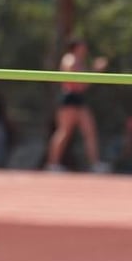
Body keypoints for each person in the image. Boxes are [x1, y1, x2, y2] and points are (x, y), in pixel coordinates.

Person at [46, 38, 110, 173]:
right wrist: (95, 70)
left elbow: (83, 84)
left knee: (90, 131)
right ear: (76, 47)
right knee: (64, 132)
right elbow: (78, 84)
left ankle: (95, 163)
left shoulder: (79, 61)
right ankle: (53, 164)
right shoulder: (70, 60)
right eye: (83, 46)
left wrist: (94, 72)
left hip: (79, 99)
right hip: (69, 99)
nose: (85, 49)